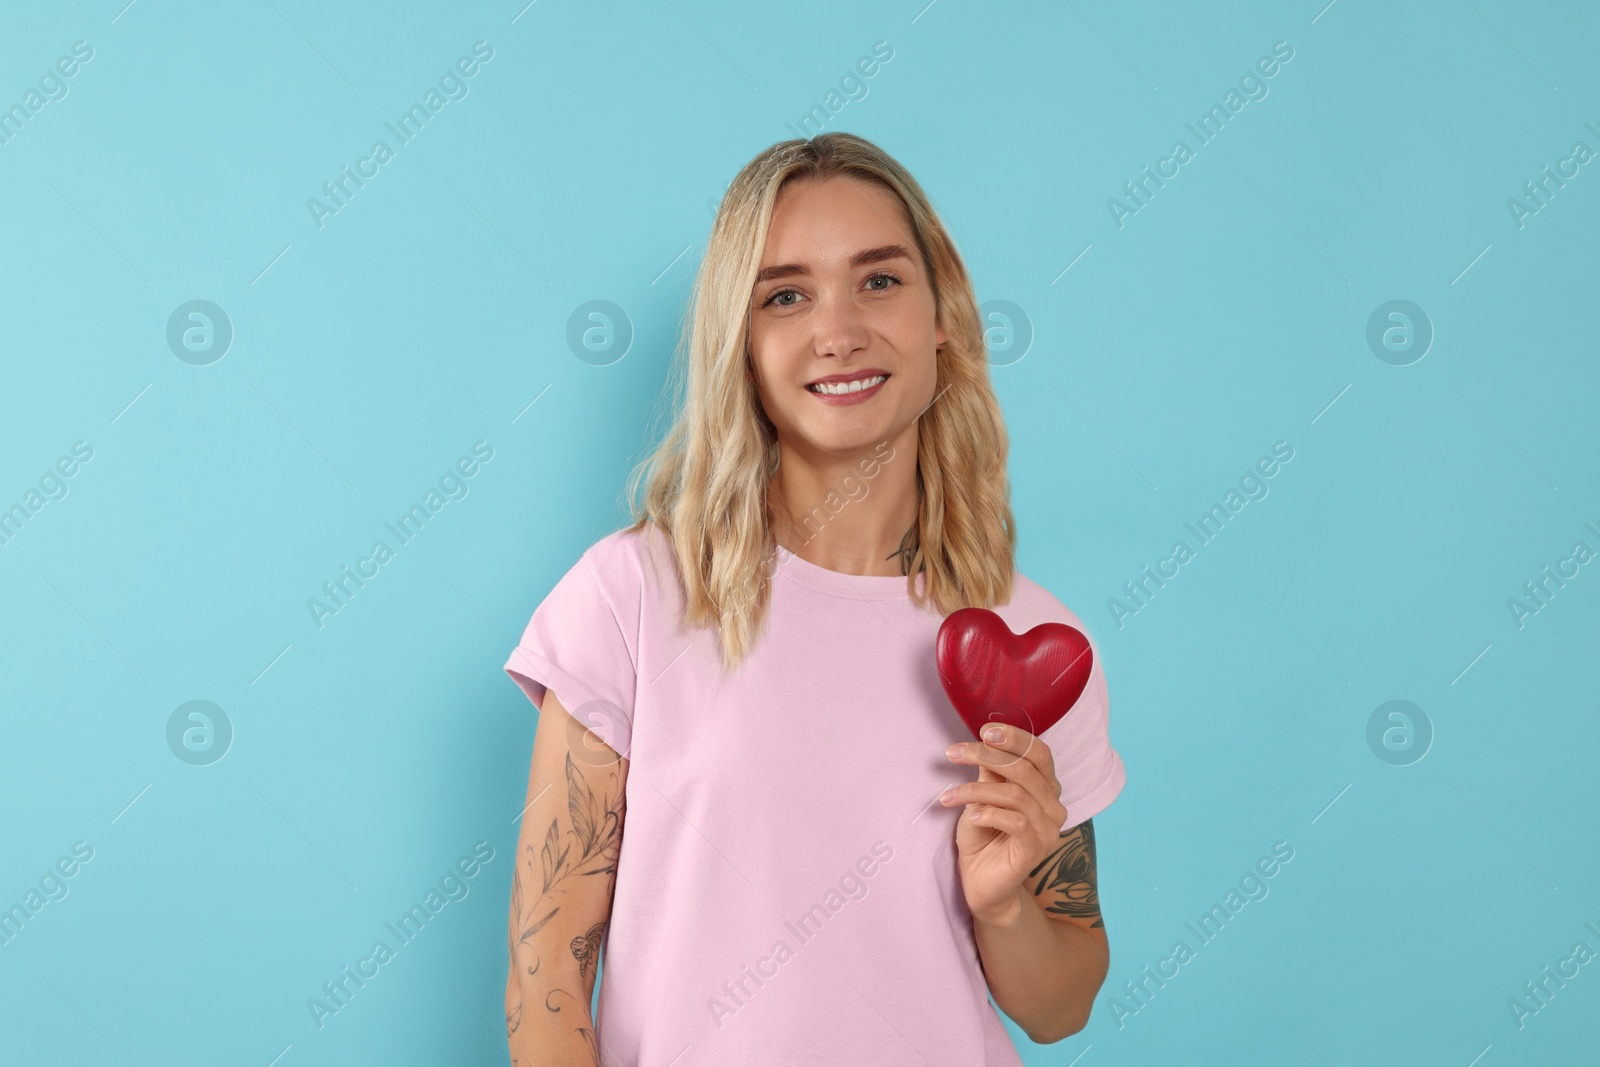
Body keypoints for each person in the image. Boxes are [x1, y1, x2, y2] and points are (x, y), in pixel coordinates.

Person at [501, 131, 1127, 1065]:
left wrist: (1004, 905)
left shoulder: (1034, 641)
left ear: (943, 312)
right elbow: (547, 966)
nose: (839, 331)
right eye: (785, 295)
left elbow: (1060, 1006)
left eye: (879, 280)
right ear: (741, 344)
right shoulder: (631, 595)